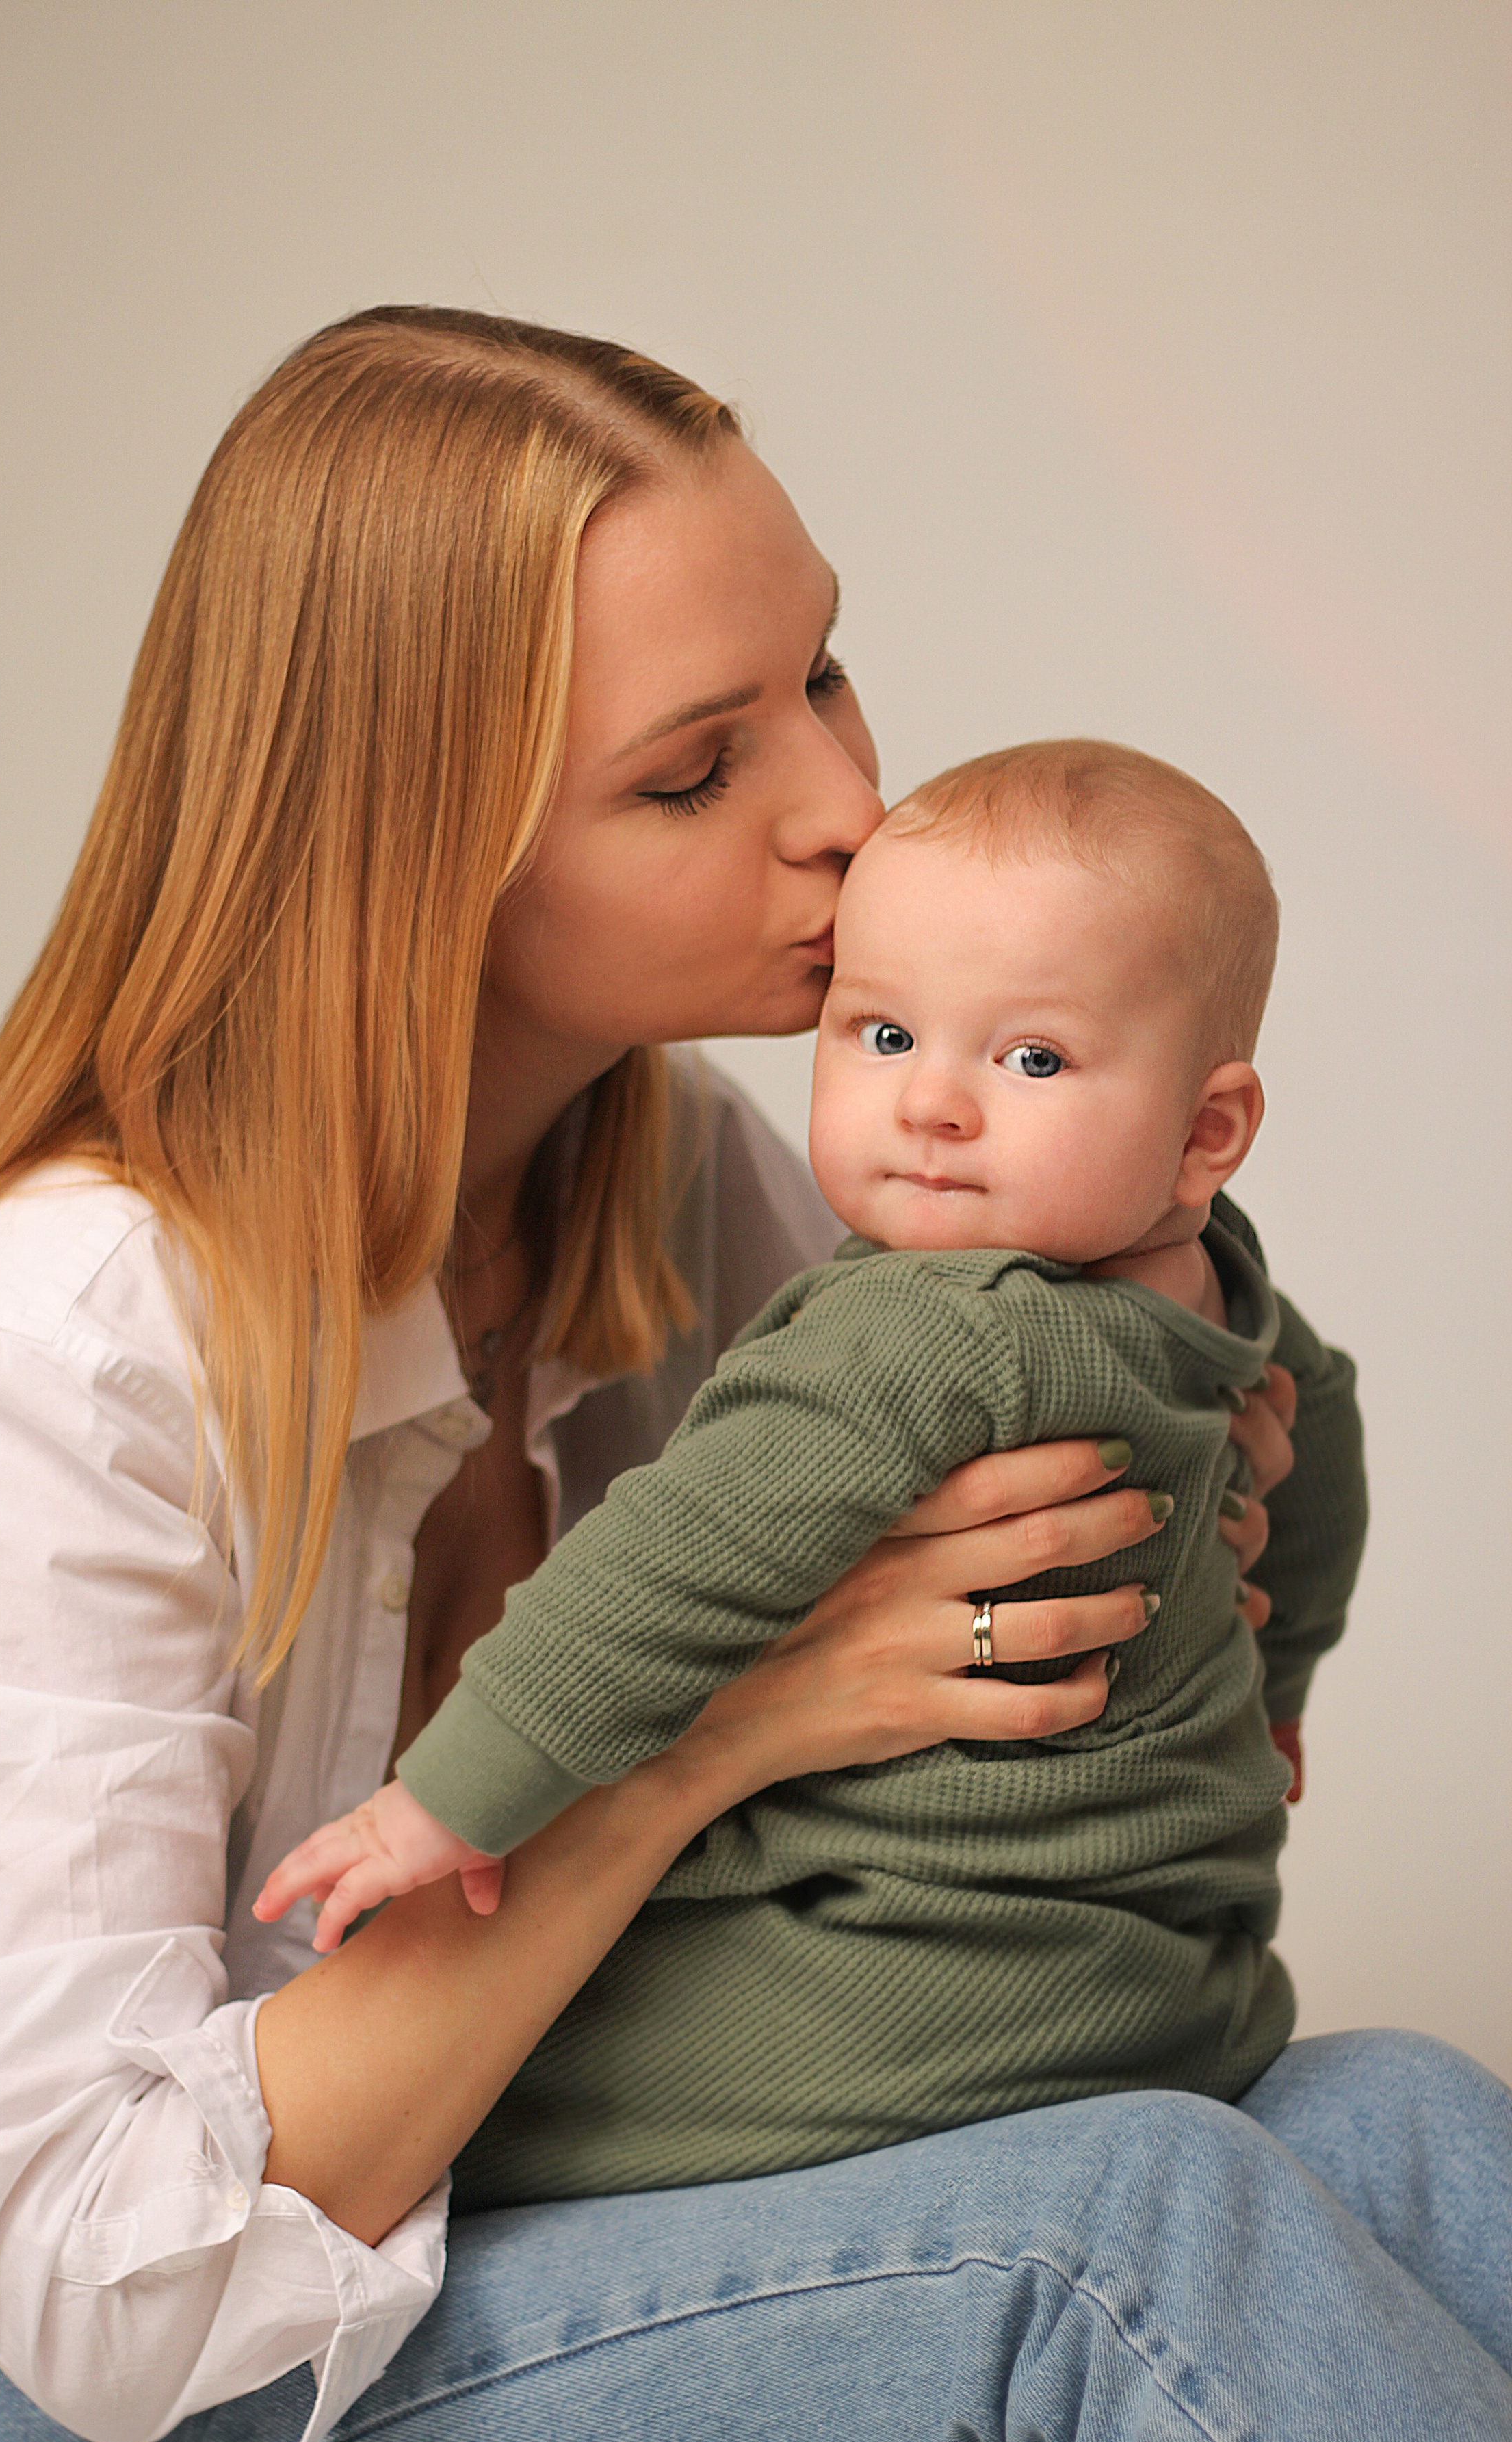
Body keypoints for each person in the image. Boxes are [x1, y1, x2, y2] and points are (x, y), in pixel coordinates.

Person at [0, 308, 1507, 2442]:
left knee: (1390, 2130)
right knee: (1108, 2267)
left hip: (474, 2181)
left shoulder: (689, 1187)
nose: (843, 810)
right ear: (420, 860)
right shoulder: (54, 1339)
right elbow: (105, 2296)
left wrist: (1205, 1453)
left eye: (827, 678)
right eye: (695, 774)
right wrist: (732, 1731)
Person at [259, 738, 1369, 2212]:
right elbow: (1324, 1445)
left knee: (511, 2108)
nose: (933, 1105)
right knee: (1402, 2116)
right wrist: (1275, 1684)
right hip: (1169, 1984)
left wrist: (449, 1802)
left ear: (1205, 1130)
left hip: (893, 2017)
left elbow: (668, 1561)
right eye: (881, 1035)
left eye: (1028, 1058)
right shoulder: (1228, 1310)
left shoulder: (926, 1324)